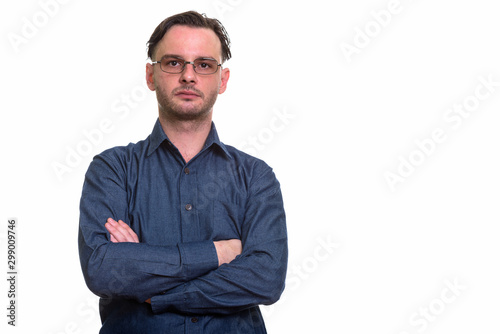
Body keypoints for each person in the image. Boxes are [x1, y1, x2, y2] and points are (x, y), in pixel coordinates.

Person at [78, 11, 288, 333]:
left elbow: (266, 277)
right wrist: (221, 252)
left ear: (223, 79)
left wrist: (152, 284)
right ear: (151, 75)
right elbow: (104, 269)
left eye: (204, 65)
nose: (188, 76)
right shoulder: (112, 169)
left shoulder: (255, 177)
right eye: (174, 62)